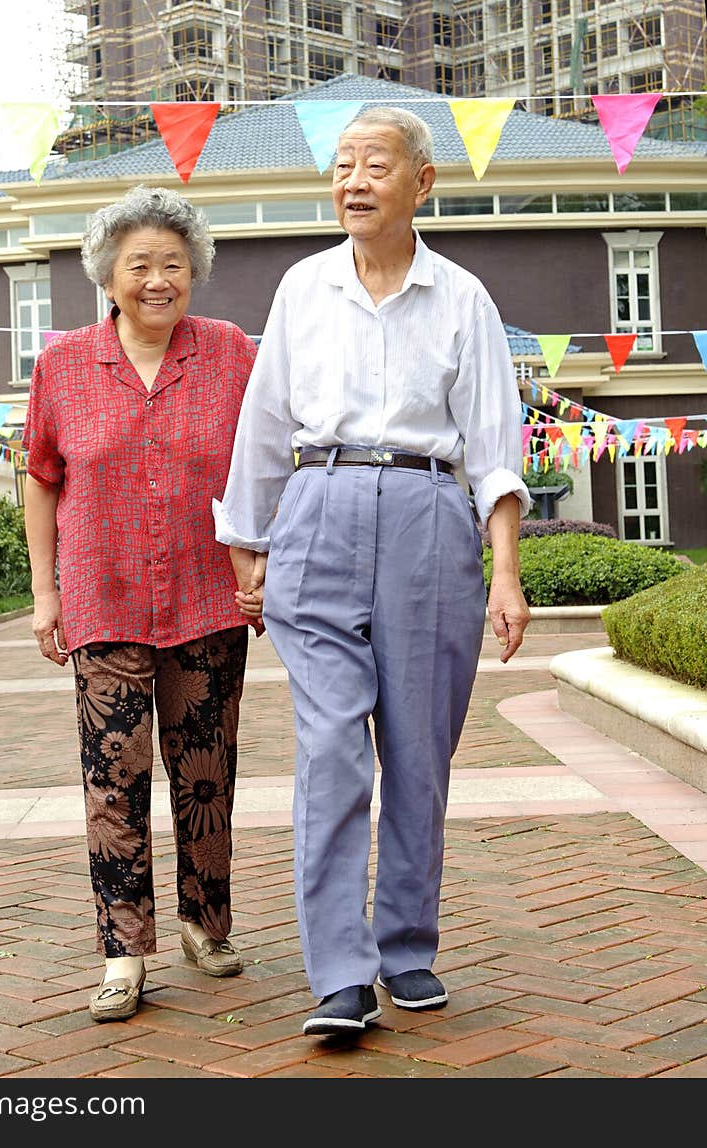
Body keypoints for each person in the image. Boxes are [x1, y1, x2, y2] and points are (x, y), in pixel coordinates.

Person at [214, 106, 531, 1036]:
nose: (354, 180)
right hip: (320, 508)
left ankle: (406, 946)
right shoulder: (302, 289)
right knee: (332, 750)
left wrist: (504, 573)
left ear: (422, 183)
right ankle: (340, 974)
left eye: (376, 164)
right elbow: (265, 425)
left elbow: (495, 451)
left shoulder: (464, 298)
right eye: (343, 163)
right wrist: (249, 547)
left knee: (419, 752)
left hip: (433, 515)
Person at [23, 185, 260, 1024]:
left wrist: (258, 559)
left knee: (205, 773)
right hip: (104, 598)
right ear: (108, 276)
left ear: (193, 270)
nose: (159, 279)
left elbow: (263, 465)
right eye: (140, 266)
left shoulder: (231, 352)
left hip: (207, 595)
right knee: (111, 780)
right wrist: (46, 592)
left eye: (173, 264)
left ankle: (206, 923)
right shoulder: (63, 366)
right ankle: (124, 953)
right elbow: (43, 480)